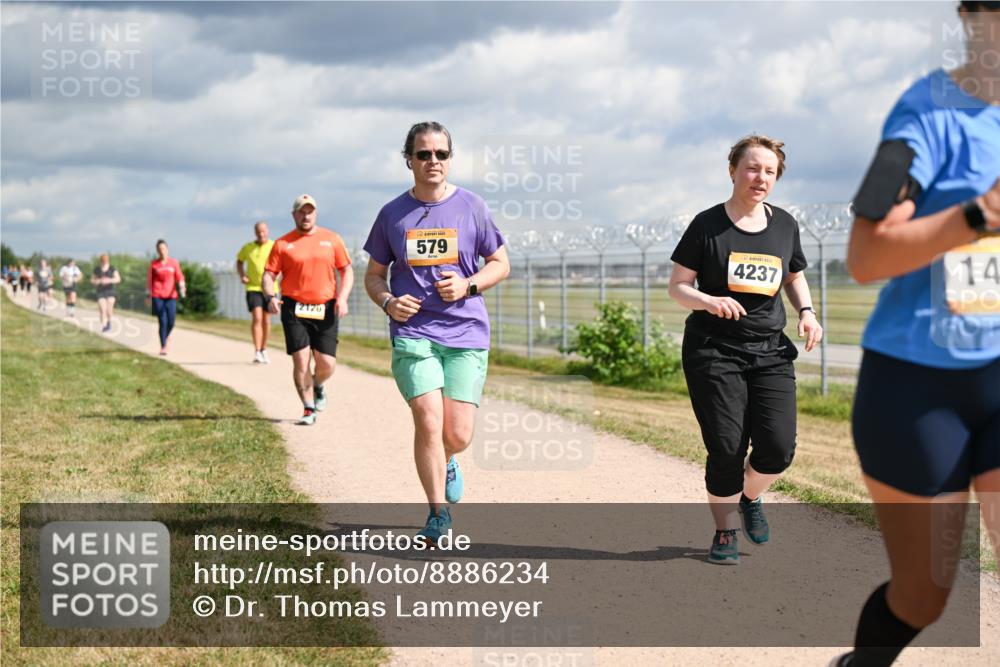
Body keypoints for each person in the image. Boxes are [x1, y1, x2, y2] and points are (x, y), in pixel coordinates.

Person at [833, 3, 1000, 665]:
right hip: (917, 385)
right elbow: (866, 255)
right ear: (968, 14)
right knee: (924, 592)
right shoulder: (926, 113)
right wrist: (979, 214)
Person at [667, 134, 823, 565]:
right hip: (713, 349)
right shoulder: (707, 225)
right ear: (733, 170)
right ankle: (725, 532)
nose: (761, 178)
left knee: (777, 447)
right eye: (753, 168)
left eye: (769, 171)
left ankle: (750, 497)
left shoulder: (785, 225)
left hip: (770, 349)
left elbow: (792, 275)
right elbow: (678, 286)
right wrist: (708, 300)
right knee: (727, 447)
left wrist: (807, 312)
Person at [363, 121, 510, 545]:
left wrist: (469, 284)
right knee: (428, 419)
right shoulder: (392, 214)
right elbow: (374, 276)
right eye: (424, 154)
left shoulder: (472, 206)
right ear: (408, 159)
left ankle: (447, 459)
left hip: (465, 332)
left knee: (457, 434)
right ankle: (437, 513)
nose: (433, 162)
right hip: (414, 332)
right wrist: (389, 301)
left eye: (441, 154)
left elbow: (500, 263)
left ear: (450, 159)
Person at [262, 195, 353, 425]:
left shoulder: (332, 239)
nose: (306, 216)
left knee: (327, 363)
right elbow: (269, 274)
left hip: (326, 307)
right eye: (301, 212)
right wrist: (270, 295)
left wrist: (342, 298)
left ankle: (318, 384)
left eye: (310, 211)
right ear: (294, 215)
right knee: (301, 361)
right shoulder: (282, 244)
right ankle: (308, 407)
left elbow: (347, 270)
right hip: (294, 307)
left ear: (316, 213)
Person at [236, 221, 276, 364]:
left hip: (270, 288)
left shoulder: (273, 246)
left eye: (263, 231)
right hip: (253, 288)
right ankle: (257, 350)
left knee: (266, 319)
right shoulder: (248, 247)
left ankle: (264, 348)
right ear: (255, 232)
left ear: (268, 231)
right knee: (257, 318)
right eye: (259, 231)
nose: (261, 234)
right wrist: (242, 275)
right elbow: (239, 261)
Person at [146, 239, 186, 356]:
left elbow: (180, 277)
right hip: (157, 295)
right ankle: (163, 346)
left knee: (171, 321)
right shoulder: (154, 264)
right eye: (159, 249)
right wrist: (148, 294)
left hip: (171, 295)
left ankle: (167, 336)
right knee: (162, 320)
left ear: (167, 249)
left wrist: (182, 287)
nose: (162, 251)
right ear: (157, 251)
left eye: (163, 248)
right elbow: (149, 280)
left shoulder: (174, 263)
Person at [91, 253, 121, 333]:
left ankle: (108, 322)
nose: (104, 262)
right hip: (100, 291)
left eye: (106, 261)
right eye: (103, 261)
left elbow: (118, 279)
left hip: (110, 291)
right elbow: (92, 280)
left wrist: (109, 280)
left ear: (108, 261)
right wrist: (98, 281)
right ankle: (104, 326)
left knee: (109, 310)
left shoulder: (112, 269)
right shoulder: (97, 269)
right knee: (103, 309)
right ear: (101, 261)